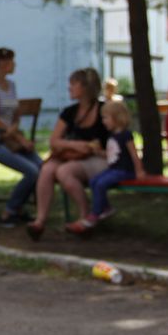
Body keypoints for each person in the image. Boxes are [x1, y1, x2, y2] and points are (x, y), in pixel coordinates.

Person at [26, 68, 108, 240]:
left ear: (85, 87)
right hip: (72, 156)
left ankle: (86, 217)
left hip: (99, 158)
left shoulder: (104, 110)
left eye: (73, 84)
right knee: (47, 169)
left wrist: (89, 148)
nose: (69, 88)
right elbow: (54, 141)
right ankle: (40, 221)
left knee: (64, 171)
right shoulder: (70, 112)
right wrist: (77, 145)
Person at [0, 47, 41, 227]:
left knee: (42, 168)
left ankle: (18, 208)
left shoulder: (11, 85)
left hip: (10, 139)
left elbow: (15, 114)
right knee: (32, 171)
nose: (14, 65)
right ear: (1, 64)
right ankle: (9, 211)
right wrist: (19, 138)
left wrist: (14, 129)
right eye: (11, 61)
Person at [70, 101, 146, 233]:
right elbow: (111, 154)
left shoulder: (126, 135)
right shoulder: (112, 136)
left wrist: (139, 170)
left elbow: (134, 154)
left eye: (105, 118)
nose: (103, 121)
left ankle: (95, 213)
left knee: (101, 184)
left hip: (124, 170)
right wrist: (98, 152)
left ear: (116, 118)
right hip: (114, 169)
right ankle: (105, 207)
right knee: (93, 181)